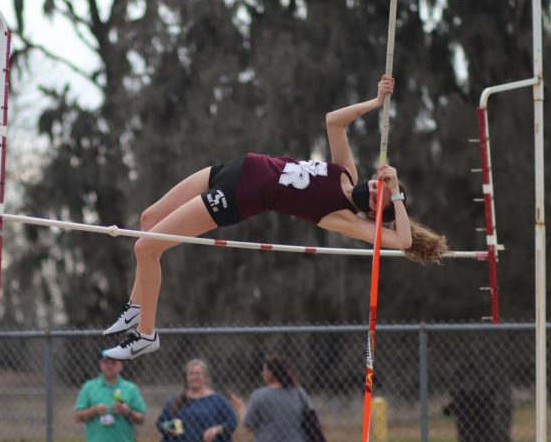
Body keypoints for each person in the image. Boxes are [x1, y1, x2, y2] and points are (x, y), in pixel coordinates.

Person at [102, 75, 448, 360]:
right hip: (232, 170)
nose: (374, 186)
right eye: (377, 183)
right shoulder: (345, 172)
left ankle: (146, 333)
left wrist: (397, 191)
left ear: (375, 213)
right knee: (149, 220)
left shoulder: (339, 217)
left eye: (378, 194)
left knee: (145, 249)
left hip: (239, 196)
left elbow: (402, 240)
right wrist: (374, 102)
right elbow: (334, 121)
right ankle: (136, 305)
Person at [230, 353, 315, 442]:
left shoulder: (259, 395)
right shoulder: (299, 392)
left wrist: (240, 407)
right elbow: (309, 414)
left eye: (264, 370)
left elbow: (249, 424)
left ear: (270, 373)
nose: (263, 373)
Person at [156, 359, 237, 442]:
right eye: (191, 374)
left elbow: (231, 422)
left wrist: (217, 429)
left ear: (205, 377)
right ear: (186, 377)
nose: (195, 377)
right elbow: (160, 423)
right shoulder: (176, 401)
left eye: (198, 373)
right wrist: (169, 427)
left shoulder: (217, 400)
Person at [74, 353, 147, 442]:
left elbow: (142, 418)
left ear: (120, 366)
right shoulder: (89, 387)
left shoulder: (130, 389)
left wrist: (127, 412)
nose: (109, 366)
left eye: (114, 363)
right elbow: (78, 416)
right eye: (106, 362)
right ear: (101, 364)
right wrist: (94, 410)